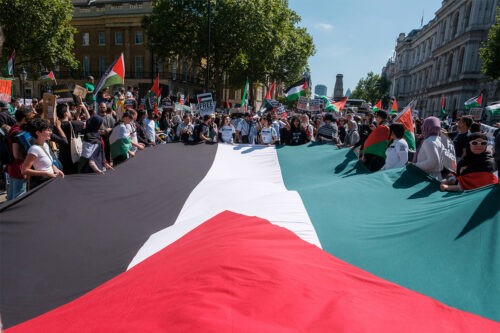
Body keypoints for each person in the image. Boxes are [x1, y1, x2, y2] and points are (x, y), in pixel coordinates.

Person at [21, 118, 64, 190]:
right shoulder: (34, 149)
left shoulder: (45, 144)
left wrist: (56, 169)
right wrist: (46, 173)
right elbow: (24, 170)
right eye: (47, 130)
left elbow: (48, 162)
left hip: (49, 182)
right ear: (38, 133)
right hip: (42, 184)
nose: (50, 132)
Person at [5, 108, 34, 200]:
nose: (31, 119)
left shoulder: (14, 129)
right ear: (24, 119)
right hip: (18, 168)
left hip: (14, 167)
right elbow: (16, 155)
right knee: (18, 198)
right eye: (30, 117)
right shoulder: (17, 132)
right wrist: (28, 162)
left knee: (12, 196)